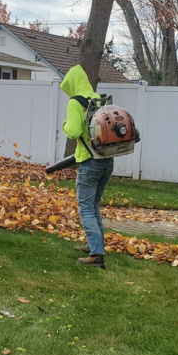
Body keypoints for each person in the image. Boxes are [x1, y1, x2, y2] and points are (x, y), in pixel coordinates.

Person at [60, 65, 112, 269]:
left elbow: (73, 132)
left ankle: (96, 254)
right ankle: (96, 245)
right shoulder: (99, 99)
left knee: (86, 208)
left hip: (89, 162)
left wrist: (65, 124)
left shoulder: (75, 102)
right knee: (94, 205)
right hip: (107, 160)